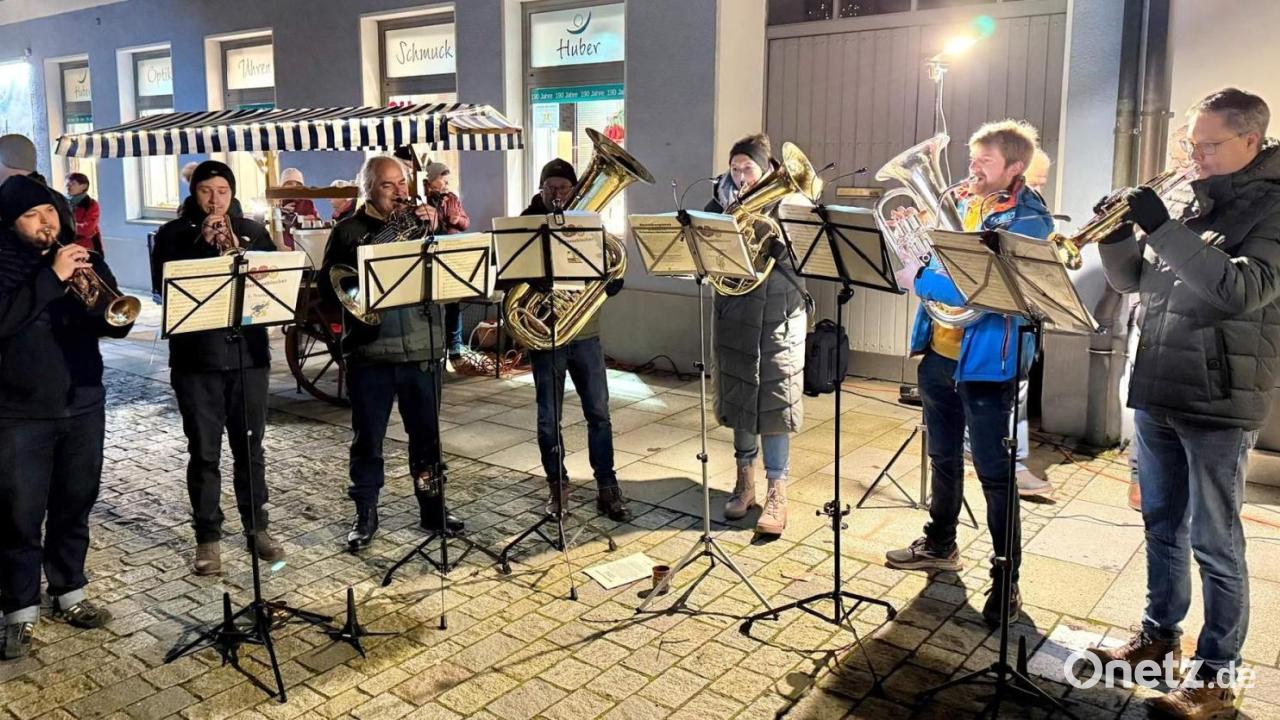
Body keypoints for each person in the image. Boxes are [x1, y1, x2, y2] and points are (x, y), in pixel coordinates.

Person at [1090, 87, 1280, 720]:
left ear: (1250, 140)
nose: (1194, 155)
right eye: (1189, 143)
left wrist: (1163, 227)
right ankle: (1158, 638)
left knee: (1215, 541)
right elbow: (1133, 282)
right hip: (1159, 385)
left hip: (1219, 399)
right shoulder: (1191, 200)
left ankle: (1217, 676)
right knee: (1161, 525)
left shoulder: (1274, 207)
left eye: (1208, 145)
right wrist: (1118, 236)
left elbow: (1239, 290)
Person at [884, 120, 1054, 629]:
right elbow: (940, 261)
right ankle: (941, 544)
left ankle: (1006, 577)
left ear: (1015, 167)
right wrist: (915, 243)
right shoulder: (962, 202)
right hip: (941, 352)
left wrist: (920, 277)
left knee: (995, 475)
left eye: (985, 161)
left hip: (988, 363)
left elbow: (980, 285)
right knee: (941, 456)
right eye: (972, 158)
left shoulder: (1029, 220)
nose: (972, 168)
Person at [0, 175, 134, 659]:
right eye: (31, 215)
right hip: (19, 410)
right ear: (10, 223)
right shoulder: (6, 264)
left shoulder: (83, 257)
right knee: (19, 514)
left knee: (75, 501)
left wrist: (104, 305)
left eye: (50, 212)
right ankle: (19, 609)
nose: (46, 222)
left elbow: (115, 322)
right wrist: (51, 278)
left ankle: (69, 590)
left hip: (82, 400)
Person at [323, 155, 465, 550]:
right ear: (368, 190)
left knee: (427, 438)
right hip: (371, 353)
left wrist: (435, 232)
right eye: (388, 185)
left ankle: (432, 508)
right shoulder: (348, 231)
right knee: (368, 440)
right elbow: (331, 288)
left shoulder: (423, 224)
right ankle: (365, 512)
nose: (399, 192)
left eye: (402, 183)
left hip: (421, 346)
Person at [151, 161, 283, 576]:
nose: (215, 200)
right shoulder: (173, 234)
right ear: (194, 193)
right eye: (206, 191)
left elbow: (277, 280)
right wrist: (200, 246)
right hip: (197, 361)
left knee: (251, 448)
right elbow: (162, 286)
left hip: (249, 356)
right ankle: (207, 536)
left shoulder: (252, 231)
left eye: (222, 191)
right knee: (204, 452)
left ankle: (257, 527)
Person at [520, 158, 632, 522]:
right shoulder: (524, 223)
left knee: (599, 413)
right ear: (541, 188)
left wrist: (612, 282)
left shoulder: (588, 222)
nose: (557, 194)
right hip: (545, 333)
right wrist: (529, 278)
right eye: (550, 187)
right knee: (548, 417)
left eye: (563, 188)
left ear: (574, 190)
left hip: (584, 331)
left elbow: (607, 265)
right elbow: (504, 273)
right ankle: (557, 486)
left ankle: (607, 485)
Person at [711, 134, 807, 537]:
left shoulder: (789, 202)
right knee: (740, 396)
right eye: (734, 168)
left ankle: (777, 491)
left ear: (766, 169)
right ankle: (744, 483)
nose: (740, 175)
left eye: (747, 167)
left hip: (780, 314)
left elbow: (802, 253)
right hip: (735, 312)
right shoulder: (718, 202)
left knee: (775, 400)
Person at [421, 162, 472, 361]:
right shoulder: (423, 200)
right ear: (431, 180)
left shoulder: (452, 199)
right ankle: (434, 345)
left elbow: (466, 222)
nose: (446, 183)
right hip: (431, 254)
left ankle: (455, 346)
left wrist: (457, 220)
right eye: (443, 179)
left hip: (451, 253)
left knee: (453, 303)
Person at [277, 167, 318, 249]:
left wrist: (297, 218)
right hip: (282, 248)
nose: (294, 187)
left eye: (298, 184)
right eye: (289, 183)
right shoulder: (277, 203)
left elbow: (316, 221)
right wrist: (280, 213)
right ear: (282, 186)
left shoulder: (307, 202)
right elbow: (272, 225)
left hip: (304, 246)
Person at [64, 173, 102, 255]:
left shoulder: (91, 204)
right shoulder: (63, 202)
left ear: (84, 186)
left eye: (73, 183)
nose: (68, 186)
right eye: (67, 183)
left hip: (86, 248)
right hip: (67, 247)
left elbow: (87, 229)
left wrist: (66, 226)